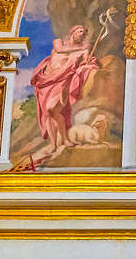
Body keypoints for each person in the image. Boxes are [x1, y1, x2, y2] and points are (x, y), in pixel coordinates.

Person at [26, 24, 100, 161]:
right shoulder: (59, 42)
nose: (82, 34)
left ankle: (64, 139)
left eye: (83, 33)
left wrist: (86, 59)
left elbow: (84, 61)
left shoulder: (83, 50)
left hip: (63, 80)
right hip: (46, 81)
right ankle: (53, 144)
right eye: (80, 31)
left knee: (51, 108)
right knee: (48, 114)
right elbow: (59, 50)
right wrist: (83, 48)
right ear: (72, 32)